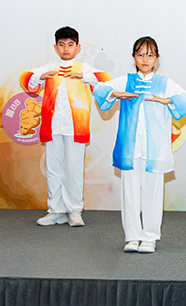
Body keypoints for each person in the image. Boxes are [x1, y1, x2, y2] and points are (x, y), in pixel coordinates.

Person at [93, 37, 186, 253]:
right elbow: (99, 90)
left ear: (157, 58)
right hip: (130, 147)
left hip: (154, 148)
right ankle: (132, 236)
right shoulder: (125, 80)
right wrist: (115, 94)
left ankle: (149, 237)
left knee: (153, 192)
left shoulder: (165, 83)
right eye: (140, 54)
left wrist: (168, 101)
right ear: (134, 57)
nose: (145, 59)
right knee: (129, 192)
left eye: (150, 54)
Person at [19, 26, 111, 227]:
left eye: (70, 45)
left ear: (78, 47)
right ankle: (55, 211)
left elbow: (106, 81)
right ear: (55, 47)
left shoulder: (84, 68)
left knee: (74, 169)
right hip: (52, 127)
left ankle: (75, 210)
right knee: (53, 169)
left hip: (75, 127)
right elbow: (25, 78)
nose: (66, 49)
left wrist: (84, 77)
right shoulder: (49, 67)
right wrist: (40, 77)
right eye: (62, 45)